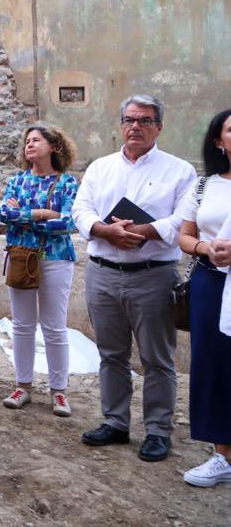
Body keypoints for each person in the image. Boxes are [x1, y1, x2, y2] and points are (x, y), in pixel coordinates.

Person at [73, 94, 196, 462]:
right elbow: (81, 209)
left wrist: (144, 231)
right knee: (111, 354)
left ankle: (158, 430)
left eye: (145, 121)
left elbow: (183, 220)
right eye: (129, 120)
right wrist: (104, 231)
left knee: (157, 358)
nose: (136, 127)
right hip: (103, 273)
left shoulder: (180, 171)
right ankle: (115, 422)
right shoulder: (101, 168)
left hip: (153, 276)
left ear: (159, 127)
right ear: (121, 125)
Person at [0, 125, 79, 416]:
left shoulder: (67, 183)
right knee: (22, 325)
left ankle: (59, 391)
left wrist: (23, 217)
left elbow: (68, 223)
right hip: (21, 256)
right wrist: (43, 214)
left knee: (54, 326)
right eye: (27, 141)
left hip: (56, 258)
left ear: (55, 146)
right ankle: (23, 386)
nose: (29, 144)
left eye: (36, 140)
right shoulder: (18, 180)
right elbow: (3, 214)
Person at [175, 108, 231, 487]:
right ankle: (222, 455)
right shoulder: (204, 186)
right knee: (213, 365)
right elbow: (184, 236)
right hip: (211, 283)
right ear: (218, 141)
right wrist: (205, 248)